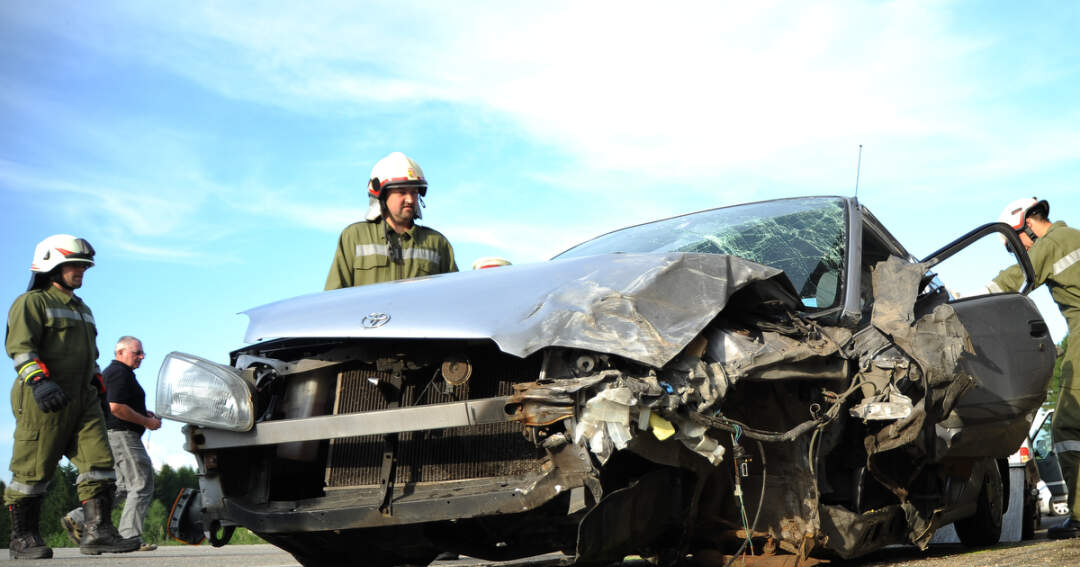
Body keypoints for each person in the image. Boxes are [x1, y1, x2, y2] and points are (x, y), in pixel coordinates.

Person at [5, 234, 138, 558]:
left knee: (100, 465)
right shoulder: (31, 302)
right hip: (44, 399)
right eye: (74, 265)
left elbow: (88, 355)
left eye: (83, 266)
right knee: (32, 472)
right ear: (51, 265)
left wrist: (98, 385)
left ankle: (98, 532)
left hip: (84, 401)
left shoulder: (83, 309)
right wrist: (39, 382)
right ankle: (23, 539)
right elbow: (21, 348)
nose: (81, 271)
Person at [983, 197, 1080, 539]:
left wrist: (969, 301)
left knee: (1069, 426)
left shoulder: (1053, 243)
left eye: (1014, 244)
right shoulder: (1072, 238)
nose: (1017, 251)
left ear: (1025, 224)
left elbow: (1017, 277)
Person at [325, 151, 457, 290]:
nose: (410, 199)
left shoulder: (437, 243)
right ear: (381, 195)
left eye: (414, 192)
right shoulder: (354, 237)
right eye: (401, 192)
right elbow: (333, 298)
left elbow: (454, 296)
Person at [103, 336, 161, 551]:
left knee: (122, 486)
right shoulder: (120, 373)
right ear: (120, 352)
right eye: (137, 352)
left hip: (113, 434)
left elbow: (118, 404)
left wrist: (142, 412)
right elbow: (116, 407)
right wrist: (146, 421)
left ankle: (79, 518)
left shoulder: (114, 372)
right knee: (141, 483)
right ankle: (129, 536)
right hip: (123, 435)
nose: (142, 356)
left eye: (142, 353)